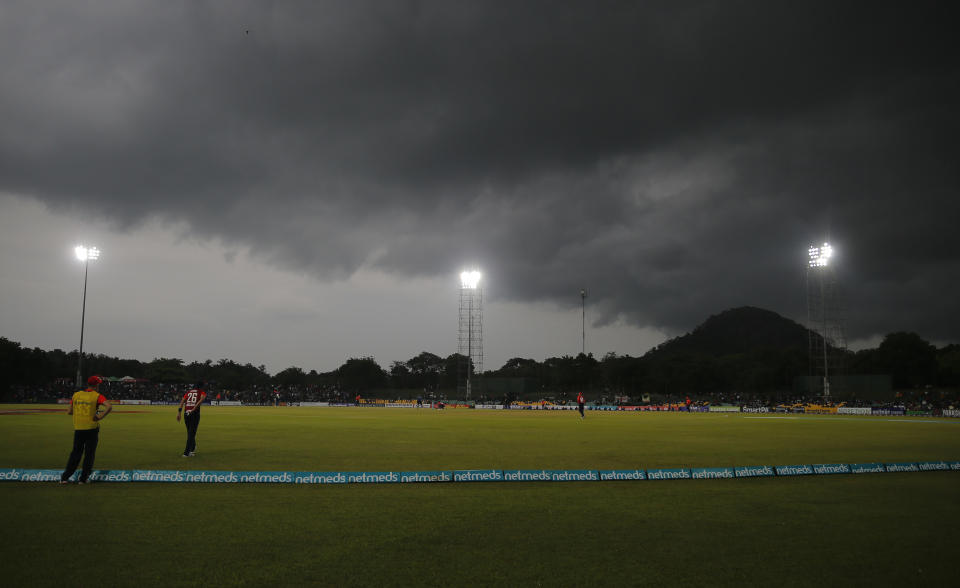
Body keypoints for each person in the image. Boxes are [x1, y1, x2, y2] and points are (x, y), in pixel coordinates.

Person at [61, 375, 112, 484]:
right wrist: (99, 416)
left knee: (75, 453)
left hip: (78, 428)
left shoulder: (76, 395)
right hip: (91, 429)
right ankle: (83, 479)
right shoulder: (97, 396)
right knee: (89, 454)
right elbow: (109, 406)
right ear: (96, 385)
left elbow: (69, 412)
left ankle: (65, 478)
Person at [177, 382, 207, 457]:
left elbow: (182, 401)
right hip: (194, 414)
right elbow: (200, 401)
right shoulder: (201, 392)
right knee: (191, 434)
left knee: (190, 432)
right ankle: (186, 453)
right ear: (200, 387)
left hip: (186, 414)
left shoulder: (188, 392)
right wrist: (193, 409)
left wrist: (179, 413)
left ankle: (192, 448)